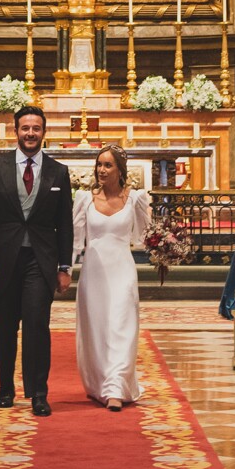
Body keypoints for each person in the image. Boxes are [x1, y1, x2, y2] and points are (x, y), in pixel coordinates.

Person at [0, 106, 73, 416]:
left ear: (44, 132)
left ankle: (39, 393)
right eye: (25, 128)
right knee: (4, 326)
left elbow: (65, 223)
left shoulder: (59, 172)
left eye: (36, 128)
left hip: (39, 261)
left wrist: (64, 266)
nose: (30, 133)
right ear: (16, 131)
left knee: (36, 325)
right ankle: (6, 388)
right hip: (3, 259)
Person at [73, 144, 151, 410]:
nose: (102, 170)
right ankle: (100, 384)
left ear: (120, 170)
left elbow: (144, 237)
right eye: (99, 165)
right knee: (97, 328)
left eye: (108, 165)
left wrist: (165, 247)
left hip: (122, 271)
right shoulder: (84, 199)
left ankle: (116, 385)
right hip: (93, 272)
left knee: (121, 324)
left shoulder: (136, 198)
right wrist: (63, 269)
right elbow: (75, 240)